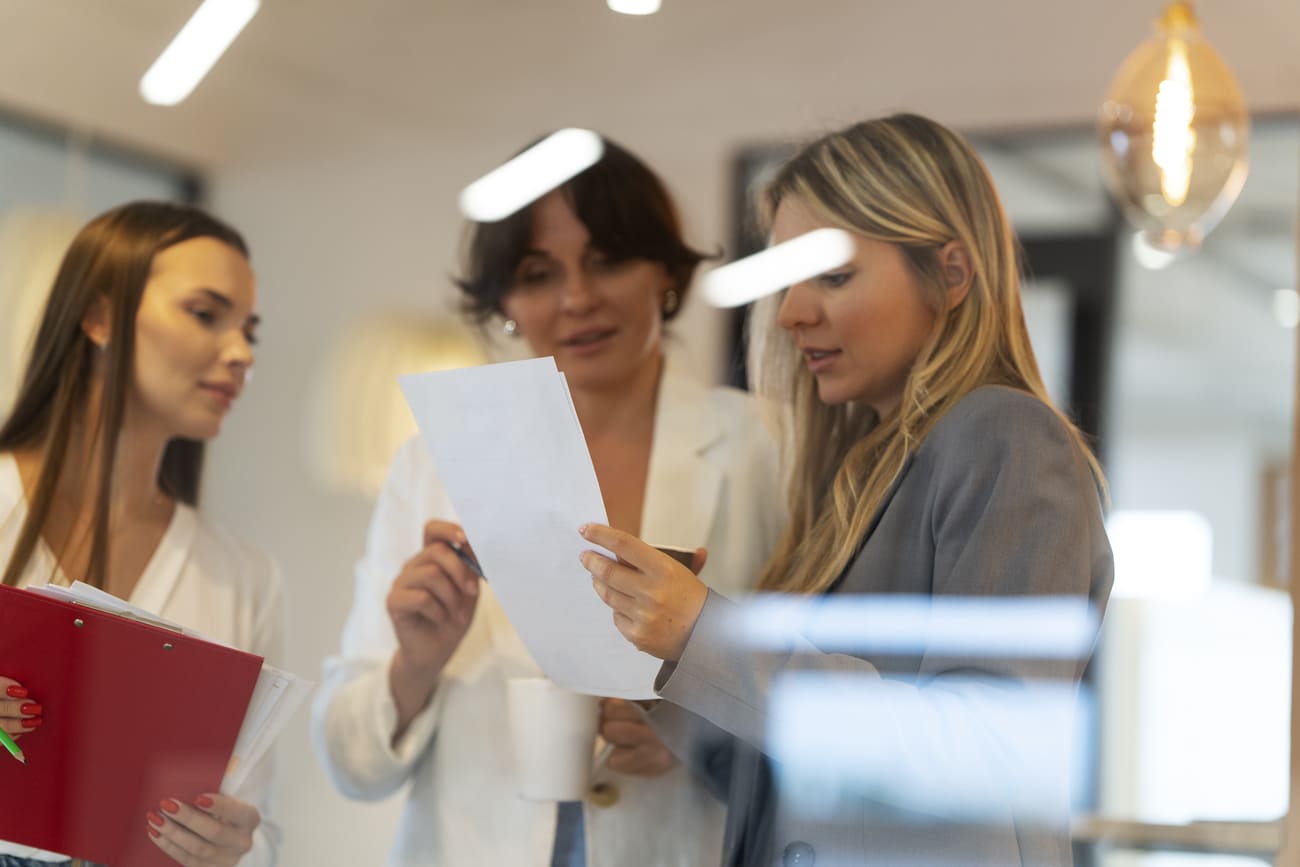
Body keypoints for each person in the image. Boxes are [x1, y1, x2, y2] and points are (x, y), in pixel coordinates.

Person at [579, 113, 1115, 866]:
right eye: (788, 280)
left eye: (833, 275)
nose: (794, 313)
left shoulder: (1005, 437)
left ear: (952, 274)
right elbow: (819, 791)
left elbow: (982, 751)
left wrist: (709, 635)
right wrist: (681, 708)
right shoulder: (864, 475)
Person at [311, 136, 787, 866]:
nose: (578, 298)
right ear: (504, 302)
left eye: (608, 259)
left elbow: (818, 695)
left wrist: (698, 734)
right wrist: (413, 662)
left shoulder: (765, 448)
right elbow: (349, 762)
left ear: (665, 270)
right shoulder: (435, 461)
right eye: (539, 274)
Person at [0, 202, 284, 867]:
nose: (240, 352)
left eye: (250, 330)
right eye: (206, 313)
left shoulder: (245, 576)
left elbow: (264, 829)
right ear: (98, 316)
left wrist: (235, 848)